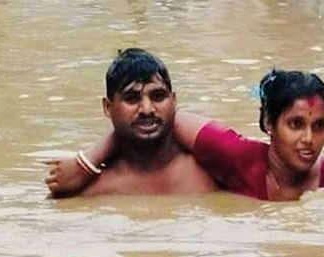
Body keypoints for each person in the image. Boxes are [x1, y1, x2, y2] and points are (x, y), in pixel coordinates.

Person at [172, 69, 324, 200]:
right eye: (296, 124)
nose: (309, 139)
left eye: (319, 126)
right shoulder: (235, 155)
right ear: (268, 123)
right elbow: (171, 119)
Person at [44, 48, 218, 198]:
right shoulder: (88, 190)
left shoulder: (214, 173)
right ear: (107, 107)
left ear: (174, 101)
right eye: (131, 98)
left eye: (158, 96)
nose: (147, 109)